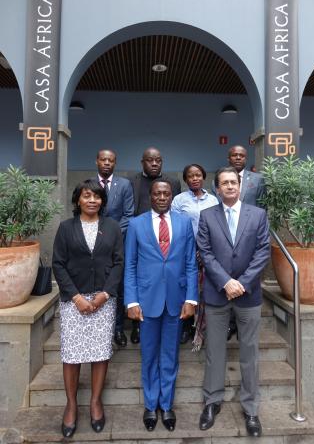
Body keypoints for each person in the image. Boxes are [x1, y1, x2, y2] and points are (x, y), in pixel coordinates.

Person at [197, 166, 270, 438]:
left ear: (239, 186)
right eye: (224, 183)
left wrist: (243, 282)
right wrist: (226, 282)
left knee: (249, 353)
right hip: (218, 293)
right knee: (215, 351)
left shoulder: (258, 215)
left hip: (248, 295)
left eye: (233, 182)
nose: (229, 186)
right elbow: (204, 251)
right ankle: (212, 401)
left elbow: (262, 250)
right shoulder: (207, 216)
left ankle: (251, 408)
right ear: (217, 188)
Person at [124, 179, 198, 432]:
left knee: (170, 356)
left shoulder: (184, 222)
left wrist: (191, 298)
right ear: (151, 196)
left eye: (167, 193)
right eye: (157, 193)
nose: (162, 197)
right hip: (146, 302)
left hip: (176, 301)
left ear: (172, 196)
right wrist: (131, 300)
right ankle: (150, 405)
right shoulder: (136, 224)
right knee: (149, 356)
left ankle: (166, 406)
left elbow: (190, 263)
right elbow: (130, 265)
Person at [52, 179, 123, 438]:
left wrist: (105, 294)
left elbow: (118, 263)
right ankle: (71, 404)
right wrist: (76, 297)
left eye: (97, 196)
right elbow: (58, 264)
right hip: (74, 302)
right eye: (87, 196)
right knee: (72, 354)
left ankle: (95, 402)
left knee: (100, 352)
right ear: (77, 200)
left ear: (103, 201)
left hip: (103, 300)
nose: (92, 200)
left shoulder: (112, 228)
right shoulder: (66, 228)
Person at [212, 145, 266, 340]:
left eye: (241, 155)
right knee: (226, 283)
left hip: (250, 241)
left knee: (247, 286)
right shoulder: (220, 178)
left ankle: (240, 323)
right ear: (228, 157)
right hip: (225, 241)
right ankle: (230, 325)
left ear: (246, 157)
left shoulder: (258, 180)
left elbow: (263, 206)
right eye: (234, 155)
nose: (237, 158)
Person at [129, 147, 181, 343]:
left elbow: (174, 211)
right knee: (142, 283)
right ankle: (137, 326)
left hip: (166, 239)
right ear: (142, 162)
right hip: (142, 238)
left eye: (158, 160)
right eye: (150, 160)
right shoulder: (132, 181)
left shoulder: (173, 182)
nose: (154, 163)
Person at [171, 163, 218, 344]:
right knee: (186, 289)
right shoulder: (179, 200)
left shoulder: (213, 200)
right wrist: (191, 251)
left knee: (204, 290)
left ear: (204, 177)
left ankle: (202, 327)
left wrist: (205, 251)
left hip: (208, 252)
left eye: (198, 175)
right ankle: (186, 326)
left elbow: (217, 227)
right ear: (186, 179)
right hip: (185, 252)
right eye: (191, 176)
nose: (195, 178)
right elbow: (175, 227)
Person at [95, 149, 134, 347]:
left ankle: (118, 329)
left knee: (116, 287)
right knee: (97, 285)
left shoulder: (125, 184)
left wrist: (110, 234)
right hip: (92, 244)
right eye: (103, 160)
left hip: (118, 243)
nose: (107, 163)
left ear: (115, 163)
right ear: (97, 162)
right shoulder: (89, 185)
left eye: (111, 160)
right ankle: (100, 328)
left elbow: (129, 214)